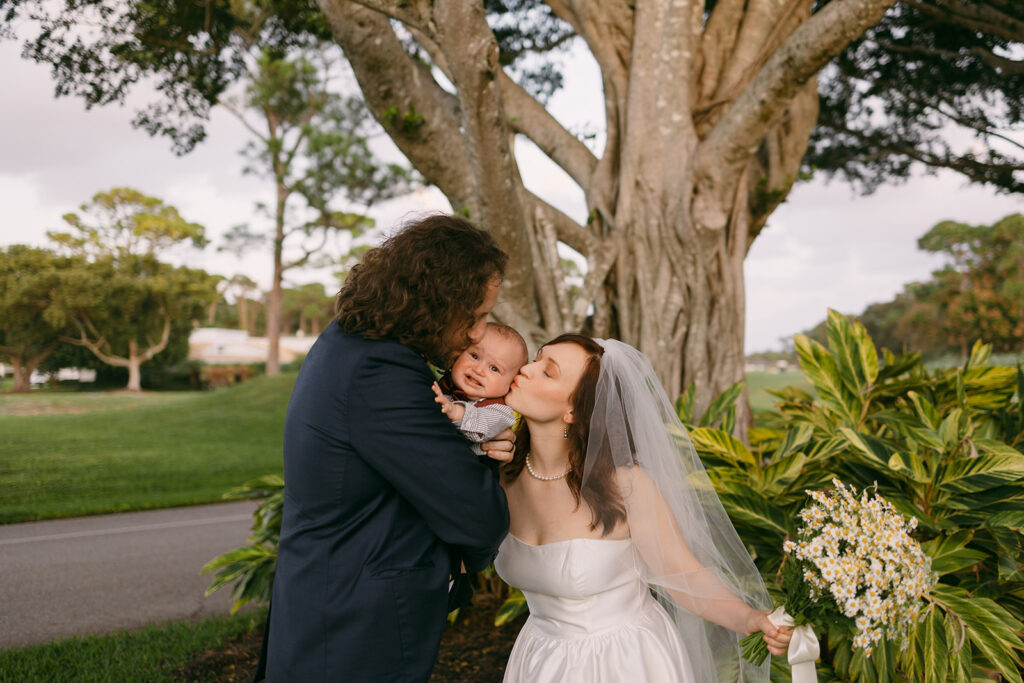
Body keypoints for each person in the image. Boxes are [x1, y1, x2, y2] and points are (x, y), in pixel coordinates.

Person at [262, 214, 512, 682]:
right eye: (475, 316)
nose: (479, 333)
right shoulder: (382, 373)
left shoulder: (349, 342)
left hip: (329, 610)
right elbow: (478, 515)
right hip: (352, 633)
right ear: (440, 302)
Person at [496, 334, 792, 682]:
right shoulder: (500, 477)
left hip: (626, 661)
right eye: (536, 359)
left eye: (548, 372)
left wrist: (749, 618)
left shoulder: (624, 486)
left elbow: (684, 575)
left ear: (573, 409)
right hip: (540, 658)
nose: (526, 369)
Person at [432, 322, 528, 456]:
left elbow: (482, 425)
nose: (478, 370)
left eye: (494, 368)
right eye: (474, 356)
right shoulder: (443, 384)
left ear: (510, 384)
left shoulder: (501, 411)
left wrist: (455, 411)